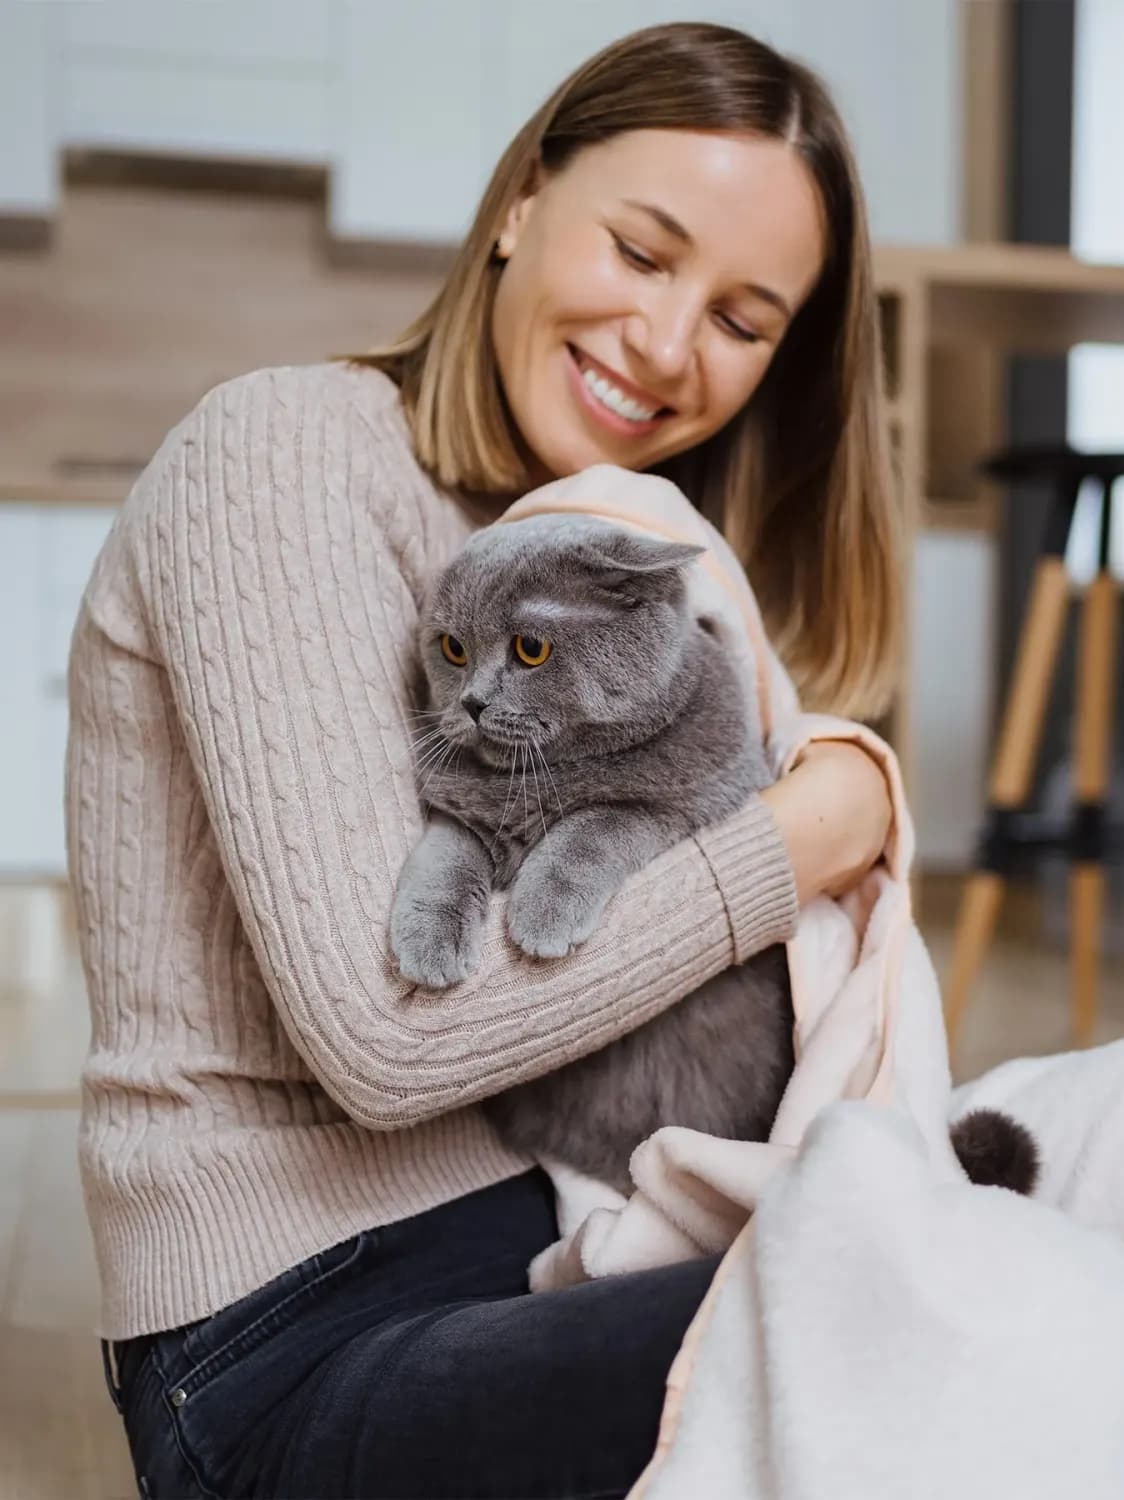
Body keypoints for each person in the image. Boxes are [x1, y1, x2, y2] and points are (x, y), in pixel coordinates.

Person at [70, 21, 899, 1499]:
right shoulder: (284, 453)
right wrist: (794, 843)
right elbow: (386, 1042)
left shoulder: (622, 557)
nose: (667, 346)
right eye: (641, 252)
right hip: (285, 1331)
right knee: (896, 1313)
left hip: (555, 1237)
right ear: (521, 200)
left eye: (740, 318)